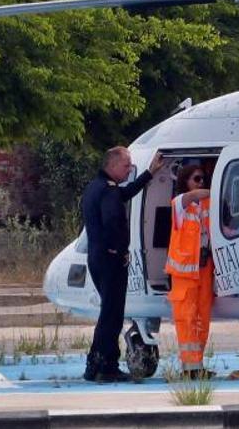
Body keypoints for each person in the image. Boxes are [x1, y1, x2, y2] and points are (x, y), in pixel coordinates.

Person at [80, 146, 164, 382]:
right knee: (112, 316)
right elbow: (113, 219)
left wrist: (149, 173)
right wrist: (118, 249)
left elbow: (124, 194)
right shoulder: (107, 191)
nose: (129, 170)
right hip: (110, 259)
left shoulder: (98, 187)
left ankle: (96, 364)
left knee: (109, 314)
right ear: (113, 165)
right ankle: (105, 366)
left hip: (98, 257)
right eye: (126, 166)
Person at [165, 164, 215, 379]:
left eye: (203, 178)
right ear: (185, 181)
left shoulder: (206, 205)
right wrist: (220, 187)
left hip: (204, 269)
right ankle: (189, 367)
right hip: (184, 274)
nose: (200, 182)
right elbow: (192, 195)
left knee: (202, 318)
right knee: (187, 318)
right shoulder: (180, 204)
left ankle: (197, 365)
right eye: (196, 178)